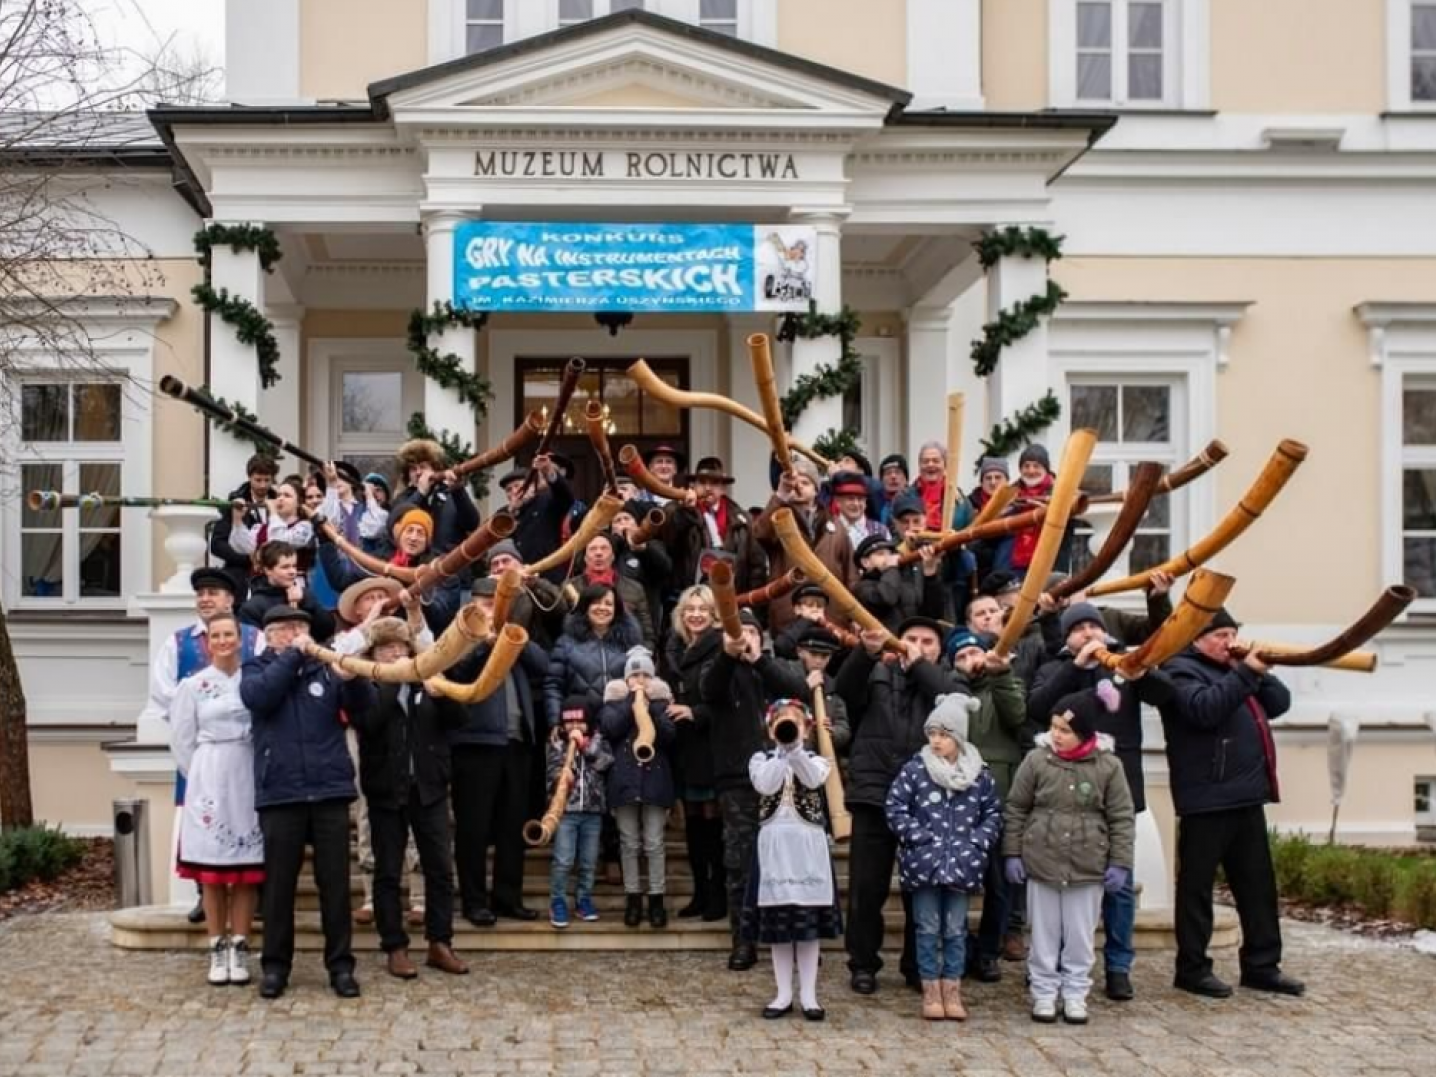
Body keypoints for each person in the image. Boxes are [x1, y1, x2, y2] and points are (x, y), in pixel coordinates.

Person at [1026, 601, 1175, 1001]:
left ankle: (1118, 966)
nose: (1089, 633)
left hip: (1117, 789)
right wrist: (1076, 667)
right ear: (1068, 636)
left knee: (1120, 886)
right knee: (1062, 885)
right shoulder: (1055, 668)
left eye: (1095, 626)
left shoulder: (1122, 665)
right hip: (1064, 793)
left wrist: (1143, 670)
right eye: (1080, 628)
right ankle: (1054, 967)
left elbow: (1168, 696)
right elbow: (1038, 707)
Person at [1161, 609, 1304, 999]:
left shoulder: (1237, 670)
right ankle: (1191, 968)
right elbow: (1204, 710)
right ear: (1197, 639)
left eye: (1233, 633)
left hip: (1247, 795)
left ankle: (1262, 965)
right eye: (1221, 634)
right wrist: (1245, 673)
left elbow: (1279, 702)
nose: (1230, 641)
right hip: (1205, 800)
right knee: (1197, 889)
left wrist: (1257, 669)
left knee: (1258, 887)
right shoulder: (1179, 670)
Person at [239, 606, 377, 1000]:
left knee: (334, 886)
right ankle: (276, 968)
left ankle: (341, 967)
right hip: (281, 792)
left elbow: (362, 708)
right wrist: (295, 655)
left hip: (329, 790)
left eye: (300, 628)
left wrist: (351, 679)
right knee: (279, 888)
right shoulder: (255, 670)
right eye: (284, 629)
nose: (295, 634)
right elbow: (261, 699)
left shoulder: (327, 668)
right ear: (269, 635)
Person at [834, 616, 964, 995]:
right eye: (910, 639)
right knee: (866, 888)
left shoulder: (946, 680)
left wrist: (919, 665)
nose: (918, 646)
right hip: (874, 793)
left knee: (920, 888)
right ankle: (863, 964)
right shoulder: (875, 672)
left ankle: (915, 965)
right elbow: (845, 689)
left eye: (928, 642)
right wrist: (864, 652)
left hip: (926, 799)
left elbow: (950, 706)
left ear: (939, 650)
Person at [1003, 685, 1135, 1025]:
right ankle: (1044, 992)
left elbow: (1121, 816)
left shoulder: (1108, 766)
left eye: (1065, 730)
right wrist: (1013, 852)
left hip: (1087, 864)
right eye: (1054, 727)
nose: (1057, 735)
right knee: (1044, 934)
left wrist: (1120, 861)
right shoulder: (1036, 760)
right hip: (1042, 860)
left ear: (1085, 733)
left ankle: (1076, 993)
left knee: (1079, 935)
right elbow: (1017, 807)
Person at [347, 618, 469, 979]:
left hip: (428, 789)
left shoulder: (430, 680)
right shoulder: (364, 686)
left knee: (440, 870)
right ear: (374, 654)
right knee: (387, 871)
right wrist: (392, 681)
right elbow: (368, 724)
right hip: (385, 791)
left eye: (400, 648)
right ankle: (395, 946)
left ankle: (440, 942)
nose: (395, 654)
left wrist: (441, 695)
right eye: (386, 649)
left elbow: (459, 720)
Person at [142, 566, 263, 925]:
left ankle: (251, 899)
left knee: (248, 820)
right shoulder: (177, 643)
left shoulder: (253, 639)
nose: (206, 598)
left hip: (247, 752)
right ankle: (202, 895)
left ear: (231, 600)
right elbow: (164, 693)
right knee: (199, 825)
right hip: (201, 751)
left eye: (214, 593)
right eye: (201, 593)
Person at [699, 609, 808, 970]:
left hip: (787, 781)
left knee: (790, 864)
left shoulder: (774, 670)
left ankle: (793, 938)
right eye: (738, 631)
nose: (745, 637)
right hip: (738, 782)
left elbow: (799, 690)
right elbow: (709, 689)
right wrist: (729, 655)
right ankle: (744, 940)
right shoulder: (718, 670)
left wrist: (759, 660)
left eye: (751, 631)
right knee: (740, 865)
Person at [884, 693, 1002, 1021]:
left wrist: (978, 842)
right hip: (924, 864)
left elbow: (993, 812)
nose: (936, 741)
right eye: (932, 734)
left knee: (955, 928)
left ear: (958, 738)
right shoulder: (915, 770)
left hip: (963, 865)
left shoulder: (979, 775)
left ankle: (953, 987)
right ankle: (930, 989)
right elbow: (894, 807)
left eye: (943, 735)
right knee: (926, 927)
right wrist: (918, 837)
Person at [446, 575, 551, 927]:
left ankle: (508, 897)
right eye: (487, 603)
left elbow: (543, 666)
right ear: (472, 604)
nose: (493, 608)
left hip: (516, 743)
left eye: (498, 603)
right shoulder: (459, 637)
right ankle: (474, 901)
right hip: (475, 743)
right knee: (473, 828)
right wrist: (483, 643)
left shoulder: (511, 634)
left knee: (511, 826)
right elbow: (454, 673)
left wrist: (511, 637)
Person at [168, 611, 264, 987]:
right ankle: (215, 944)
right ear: (207, 642)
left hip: (247, 769)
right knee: (211, 870)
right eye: (216, 635)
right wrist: (202, 778)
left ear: (239, 639)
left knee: (244, 869)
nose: (224, 641)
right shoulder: (193, 686)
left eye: (230, 634)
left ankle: (240, 943)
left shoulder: (253, 680)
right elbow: (181, 739)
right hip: (209, 773)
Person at [740, 699, 842, 1022]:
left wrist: (796, 749)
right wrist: (783, 752)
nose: (786, 727)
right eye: (780, 723)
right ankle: (783, 993)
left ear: (807, 729)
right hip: (774, 845)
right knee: (778, 923)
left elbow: (813, 780)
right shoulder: (761, 759)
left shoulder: (817, 759)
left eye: (795, 722)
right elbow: (765, 784)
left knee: (807, 925)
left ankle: (809, 995)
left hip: (807, 847)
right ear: (770, 729)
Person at [944, 627, 1027, 977]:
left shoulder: (1006, 683)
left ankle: (989, 950)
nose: (969, 661)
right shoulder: (950, 691)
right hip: (959, 799)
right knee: (957, 878)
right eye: (961, 658)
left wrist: (1001, 674)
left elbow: (1017, 717)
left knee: (999, 883)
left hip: (1000, 794)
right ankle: (959, 947)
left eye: (973, 653)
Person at [600, 647, 678, 929]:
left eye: (646, 675)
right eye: (635, 675)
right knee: (629, 842)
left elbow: (670, 737)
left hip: (656, 781)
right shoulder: (613, 703)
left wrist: (654, 709)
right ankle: (632, 897)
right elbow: (610, 728)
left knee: (655, 843)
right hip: (624, 781)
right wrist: (631, 701)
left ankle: (656, 897)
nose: (640, 680)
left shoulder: (662, 704)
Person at [663, 585, 727, 922]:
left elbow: (728, 701)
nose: (696, 615)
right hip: (684, 748)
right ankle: (700, 892)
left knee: (713, 826)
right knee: (693, 828)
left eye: (703, 609)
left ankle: (718, 894)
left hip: (713, 746)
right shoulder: (674, 649)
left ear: (714, 614)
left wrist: (694, 712)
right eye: (690, 609)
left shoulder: (721, 647)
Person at [753, 455, 855, 634]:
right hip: (789, 619)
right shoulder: (778, 519)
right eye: (794, 482)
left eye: (805, 482)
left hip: (831, 620)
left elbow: (851, 575)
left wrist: (853, 616)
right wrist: (781, 495)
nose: (798, 486)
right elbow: (760, 534)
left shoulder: (837, 525)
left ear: (817, 490)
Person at [545, 696, 614, 929]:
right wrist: (561, 777)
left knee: (588, 861)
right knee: (563, 860)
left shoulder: (599, 739)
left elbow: (605, 763)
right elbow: (551, 772)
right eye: (569, 723)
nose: (574, 728)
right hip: (566, 812)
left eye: (579, 722)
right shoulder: (556, 742)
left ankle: (583, 899)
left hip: (593, 811)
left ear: (588, 722)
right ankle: (558, 902)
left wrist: (584, 747)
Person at [667, 456, 765, 594]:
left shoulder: (743, 520)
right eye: (702, 482)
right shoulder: (679, 512)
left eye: (714, 483)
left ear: (723, 488)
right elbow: (672, 543)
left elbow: (756, 567)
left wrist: (752, 605)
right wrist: (686, 511)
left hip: (733, 597)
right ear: (692, 486)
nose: (707, 488)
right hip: (692, 598)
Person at [389, 439, 480, 556]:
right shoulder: (403, 499)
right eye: (413, 469)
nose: (418, 473)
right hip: (416, 570)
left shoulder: (452, 495)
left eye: (423, 467)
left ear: (435, 469)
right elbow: (395, 524)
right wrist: (420, 493)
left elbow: (472, 523)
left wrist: (459, 490)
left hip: (451, 567)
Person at [209, 453, 279, 597]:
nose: (263, 485)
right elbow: (217, 544)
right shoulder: (233, 504)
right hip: (241, 576)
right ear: (249, 477)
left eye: (267, 480)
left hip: (274, 576)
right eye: (258, 480)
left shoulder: (280, 502)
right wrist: (248, 559)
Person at [237, 540, 336, 641]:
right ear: (268, 570)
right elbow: (252, 645)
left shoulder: (306, 595)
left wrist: (306, 602)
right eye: (285, 567)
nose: (292, 572)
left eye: (294, 566)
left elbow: (328, 630)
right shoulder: (252, 608)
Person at [498, 453, 573, 572]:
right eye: (508, 490)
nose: (513, 491)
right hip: (516, 575)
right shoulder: (504, 513)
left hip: (547, 573)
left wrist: (549, 472)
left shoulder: (547, 500)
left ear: (532, 486)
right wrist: (512, 512)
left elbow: (565, 497)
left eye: (517, 486)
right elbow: (492, 537)